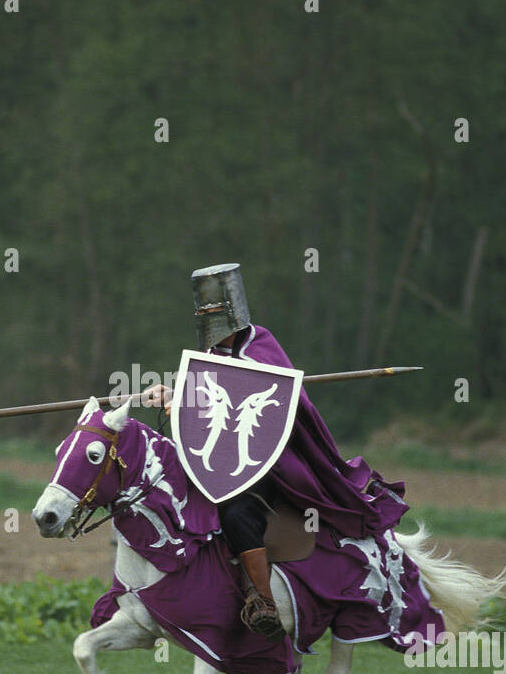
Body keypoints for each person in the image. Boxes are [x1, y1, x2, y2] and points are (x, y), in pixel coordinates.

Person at [142, 263, 411, 640]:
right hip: (217, 462)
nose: (211, 319)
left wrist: (196, 394)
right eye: (205, 312)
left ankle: (263, 601)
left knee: (237, 512)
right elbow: (204, 410)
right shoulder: (208, 355)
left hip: (266, 464)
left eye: (216, 311)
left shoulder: (261, 346)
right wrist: (174, 396)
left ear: (233, 309)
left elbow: (276, 407)